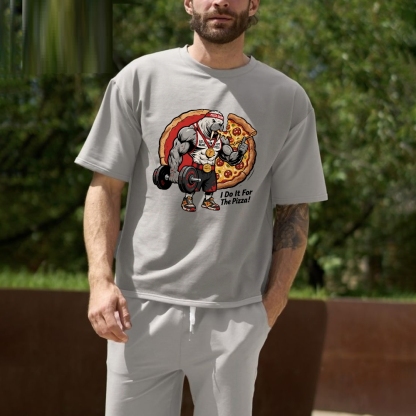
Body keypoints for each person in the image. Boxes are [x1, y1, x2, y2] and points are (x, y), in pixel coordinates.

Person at [75, 1, 328, 415]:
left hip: (235, 314)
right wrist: (101, 283)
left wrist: (272, 304)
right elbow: (105, 187)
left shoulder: (287, 98)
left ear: (253, 3)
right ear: (188, 2)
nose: (220, 2)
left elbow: (293, 209)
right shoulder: (140, 79)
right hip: (139, 309)